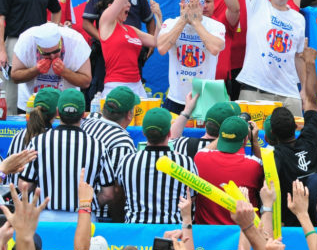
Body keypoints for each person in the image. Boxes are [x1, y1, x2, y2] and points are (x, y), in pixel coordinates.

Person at [18, 89, 115, 221]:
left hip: (45, 218)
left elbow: (24, 186)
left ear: (58, 112)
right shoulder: (98, 146)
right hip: (82, 217)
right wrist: (90, 204)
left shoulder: (38, 142)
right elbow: (108, 194)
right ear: (83, 114)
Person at [82, 0, 156, 100]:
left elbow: (156, 41)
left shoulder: (131, 28)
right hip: (115, 80)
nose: (128, 4)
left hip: (136, 82)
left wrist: (159, 18)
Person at [263, 42, 317, 226]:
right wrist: (310, 63)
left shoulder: (274, 158)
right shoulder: (310, 139)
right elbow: (311, 101)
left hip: (287, 226)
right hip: (314, 221)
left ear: (271, 134)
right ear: (297, 126)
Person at [0, 0, 62, 115]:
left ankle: (40, 119)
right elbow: (1, 18)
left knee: (40, 79)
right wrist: (2, 50)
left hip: (39, 43)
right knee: (13, 82)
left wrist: (52, 33)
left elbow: (56, 10)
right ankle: (10, 123)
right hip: (15, 41)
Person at [116, 107, 197, 224]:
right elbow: (192, 198)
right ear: (169, 133)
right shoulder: (186, 162)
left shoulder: (126, 161)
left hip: (135, 230)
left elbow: (120, 193)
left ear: (143, 133)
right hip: (173, 231)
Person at [157, 0, 225, 114]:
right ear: (182, 2)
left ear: (204, 4)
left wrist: (195, 21)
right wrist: (183, 20)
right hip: (176, 99)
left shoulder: (216, 26)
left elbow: (215, 48)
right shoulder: (170, 23)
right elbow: (162, 48)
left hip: (205, 98)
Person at [80, 86, 139, 222]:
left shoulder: (88, 121)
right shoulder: (122, 142)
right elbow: (117, 190)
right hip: (100, 214)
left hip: (75, 202)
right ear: (129, 115)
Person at [194, 116, 263, 224]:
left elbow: (203, 150)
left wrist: (226, 133)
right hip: (245, 232)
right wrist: (254, 140)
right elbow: (267, 173)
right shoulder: (254, 164)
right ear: (245, 140)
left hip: (206, 231)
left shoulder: (200, 157)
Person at [10, 22, 91, 114]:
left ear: (60, 41)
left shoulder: (75, 41)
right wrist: (35, 70)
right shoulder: (26, 40)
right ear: (38, 47)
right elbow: (15, 76)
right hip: (31, 104)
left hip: (65, 106)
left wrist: (64, 72)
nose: (52, 57)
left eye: (56, 51)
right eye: (46, 54)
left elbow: (86, 82)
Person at [3, 87, 59, 185]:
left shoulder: (18, 135)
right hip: (36, 197)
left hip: (13, 194)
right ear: (57, 112)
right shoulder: (53, 139)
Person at [169, 99, 239, 158]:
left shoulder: (182, 143)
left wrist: (187, 110)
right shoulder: (231, 151)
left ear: (205, 123)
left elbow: (172, 137)